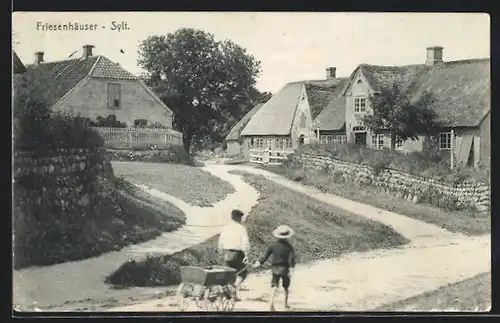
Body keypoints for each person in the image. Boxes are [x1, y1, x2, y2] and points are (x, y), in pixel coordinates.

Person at [253, 225, 296, 311]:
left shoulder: (273, 245)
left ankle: (271, 303)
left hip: (275, 268)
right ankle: (285, 304)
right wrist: (291, 270)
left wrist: (258, 263)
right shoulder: (289, 247)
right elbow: (291, 260)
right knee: (286, 287)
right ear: (287, 236)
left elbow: (265, 256)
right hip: (285, 269)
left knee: (274, 286)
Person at [217, 209, 250, 301]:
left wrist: (220, 254)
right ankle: (234, 288)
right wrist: (246, 255)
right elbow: (245, 243)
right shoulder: (241, 228)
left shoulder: (225, 227)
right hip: (236, 254)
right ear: (238, 217)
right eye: (240, 218)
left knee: (228, 274)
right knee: (243, 273)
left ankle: (230, 293)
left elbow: (220, 242)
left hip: (225, 253)